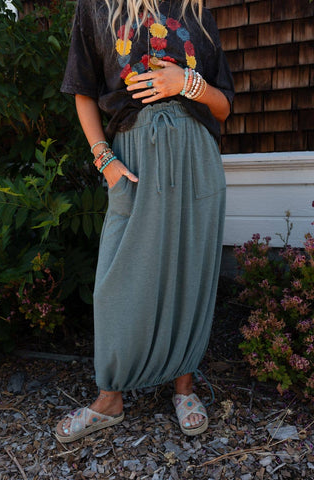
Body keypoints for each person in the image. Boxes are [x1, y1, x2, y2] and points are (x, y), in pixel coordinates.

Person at [56, 0, 234, 443]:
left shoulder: (196, 13)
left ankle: (184, 387)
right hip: (133, 156)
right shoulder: (96, 8)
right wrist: (106, 161)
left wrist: (186, 82)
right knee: (116, 277)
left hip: (196, 158)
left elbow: (223, 106)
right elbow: (83, 90)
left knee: (188, 270)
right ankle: (109, 398)